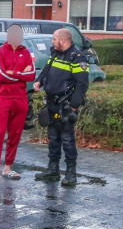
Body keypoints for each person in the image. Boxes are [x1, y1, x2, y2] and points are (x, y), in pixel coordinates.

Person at [34, 28, 90, 187]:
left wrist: (73, 106)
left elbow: (82, 84)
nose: (52, 42)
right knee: (53, 138)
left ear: (63, 41)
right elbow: (46, 70)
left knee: (67, 139)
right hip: (52, 103)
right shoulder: (56, 53)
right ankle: (53, 170)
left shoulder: (77, 57)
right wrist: (40, 80)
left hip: (65, 105)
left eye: (54, 39)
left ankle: (71, 173)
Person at [0, 23, 36, 183]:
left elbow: (31, 75)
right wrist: (21, 74)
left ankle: (8, 167)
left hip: (20, 99)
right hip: (1, 99)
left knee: (15, 135)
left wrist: (15, 73)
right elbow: (1, 75)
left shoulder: (27, 53)